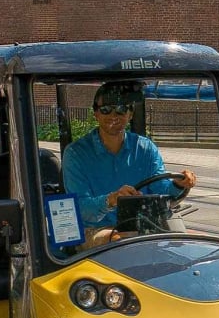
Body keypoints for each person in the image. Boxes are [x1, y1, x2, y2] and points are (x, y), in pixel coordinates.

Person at [62, 82, 196, 235]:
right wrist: (111, 200)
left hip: (142, 225)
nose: (113, 115)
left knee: (191, 242)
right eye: (106, 110)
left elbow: (162, 190)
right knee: (123, 240)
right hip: (95, 229)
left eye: (121, 109)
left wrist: (179, 184)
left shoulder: (145, 149)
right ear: (96, 114)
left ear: (130, 114)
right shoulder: (75, 153)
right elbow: (79, 208)